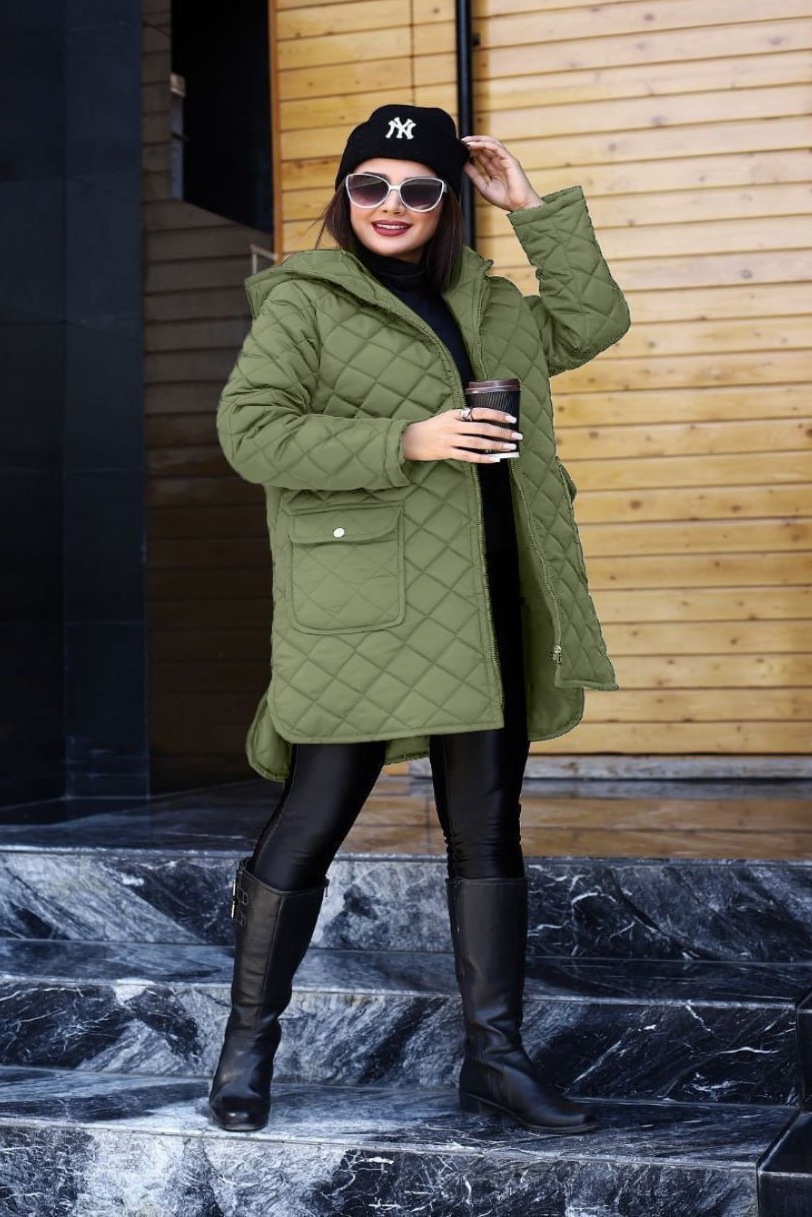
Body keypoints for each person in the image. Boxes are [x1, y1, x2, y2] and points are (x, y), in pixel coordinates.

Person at [209, 104, 630, 1136]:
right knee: (312, 818)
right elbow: (250, 432)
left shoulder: (488, 300)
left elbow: (591, 323)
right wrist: (407, 438)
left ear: (446, 203)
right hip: (365, 608)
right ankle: (245, 1049)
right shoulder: (304, 301)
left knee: (486, 826)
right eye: (370, 184)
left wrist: (530, 208)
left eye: (418, 188)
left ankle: (496, 1059)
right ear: (344, 194)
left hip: (489, 598)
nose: (390, 204)